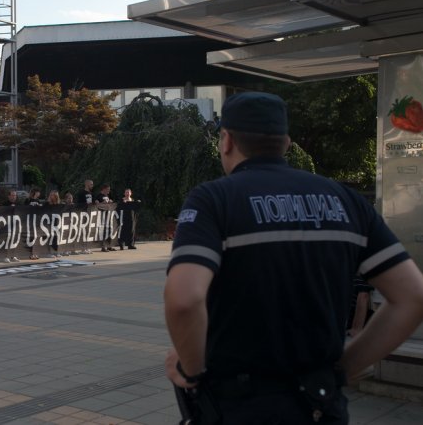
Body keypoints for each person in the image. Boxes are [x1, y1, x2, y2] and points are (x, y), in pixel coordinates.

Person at [164, 92, 423, 425]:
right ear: (286, 143)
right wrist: (342, 369)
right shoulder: (347, 201)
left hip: (239, 405)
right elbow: (413, 297)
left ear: (226, 141)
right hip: (320, 405)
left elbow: (183, 300)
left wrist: (194, 370)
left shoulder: (213, 200)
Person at [95, 184, 115, 252]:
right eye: (108, 190)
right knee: (103, 231)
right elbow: (96, 205)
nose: (109, 191)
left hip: (108, 214)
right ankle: (103, 246)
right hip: (102, 215)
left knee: (109, 230)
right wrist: (102, 203)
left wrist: (110, 202)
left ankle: (109, 245)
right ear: (104, 189)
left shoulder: (107, 196)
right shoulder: (98, 196)